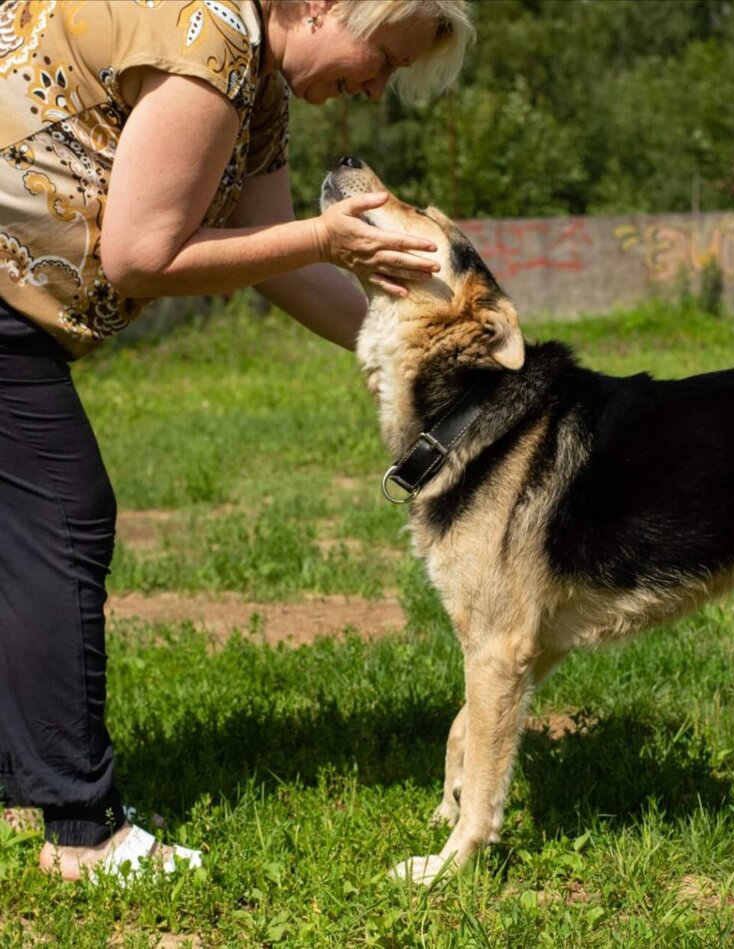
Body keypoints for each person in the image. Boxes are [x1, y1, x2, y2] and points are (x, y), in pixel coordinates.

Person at [0, 0, 473, 880]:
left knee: (28, 525)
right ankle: (81, 832)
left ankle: (31, 778)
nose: (372, 88)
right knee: (62, 514)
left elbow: (278, 267)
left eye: (389, 78)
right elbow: (139, 256)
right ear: (329, 6)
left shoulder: (258, 84)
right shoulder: (212, 39)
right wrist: (331, 238)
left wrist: (421, 346)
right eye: (380, 58)